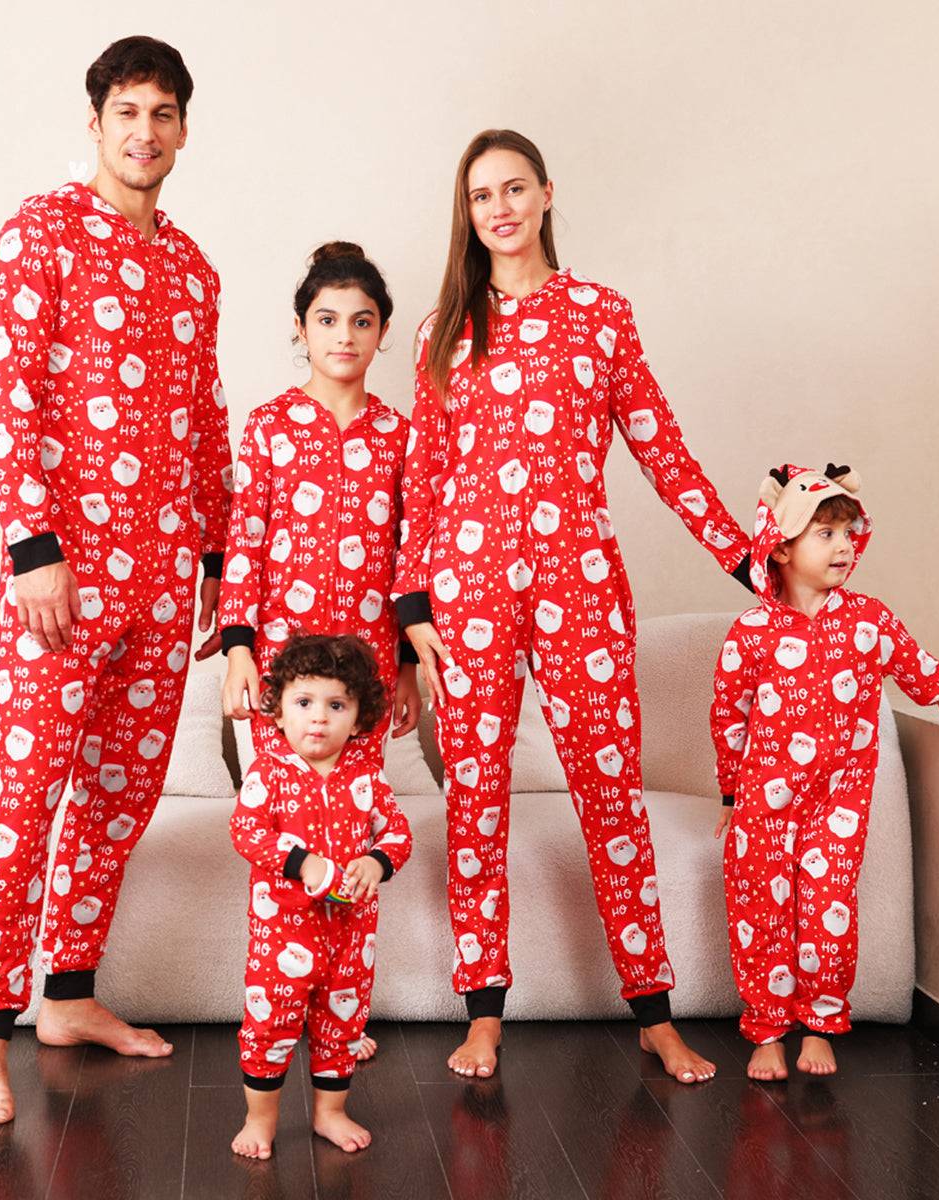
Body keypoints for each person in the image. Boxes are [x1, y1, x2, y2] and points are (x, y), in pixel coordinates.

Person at [393, 128, 751, 1083]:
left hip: (580, 580)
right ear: (466, 215)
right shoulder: (443, 331)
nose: (500, 209)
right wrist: (406, 605)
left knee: (609, 793)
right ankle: (484, 1016)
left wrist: (745, 560)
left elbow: (660, 447)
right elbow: (422, 482)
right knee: (473, 800)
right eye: (481, 197)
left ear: (547, 194)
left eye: (515, 189)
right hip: (465, 592)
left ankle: (655, 1013)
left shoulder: (601, 315)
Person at [0, 36, 231, 1124]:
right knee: (24, 800)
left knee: (118, 801)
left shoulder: (194, 268)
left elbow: (207, 420)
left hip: (166, 583)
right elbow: (5, 388)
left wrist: (216, 558)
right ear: (96, 121)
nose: (144, 131)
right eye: (127, 111)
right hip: (61, 582)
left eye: (163, 113)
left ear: (183, 130)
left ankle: (66, 997)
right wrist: (31, 549)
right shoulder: (40, 232)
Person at [712, 463, 939, 1080]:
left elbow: (926, 672)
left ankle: (820, 1023)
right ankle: (766, 1030)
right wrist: (733, 796)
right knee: (759, 912)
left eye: (849, 533)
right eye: (825, 534)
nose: (844, 547)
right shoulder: (750, 633)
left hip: (839, 802)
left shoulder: (868, 621)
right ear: (782, 548)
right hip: (764, 804)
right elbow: (728, 717)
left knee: (827, 910)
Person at [215, 240, 421, 1061]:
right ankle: (277, 1015)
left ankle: (337, 1023)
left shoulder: (402, 437)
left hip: (366, 673)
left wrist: (405, 664)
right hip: (281, 670)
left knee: (353, 832)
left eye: (362, 321)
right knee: (285, 836)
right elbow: (247, 541)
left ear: (381, 334)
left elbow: (415, 556)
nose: (345, 335)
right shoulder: (269, 426)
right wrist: (238, 650)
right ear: (301, 328)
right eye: (328, 319)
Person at [229, 635, 412, 1158]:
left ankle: (330, 1111)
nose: (318, 718)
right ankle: (260, 1120)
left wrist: (375, 862)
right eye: (304, 703)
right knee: (271, 1025)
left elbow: (398, 834)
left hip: (352, 938)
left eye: (336, 706)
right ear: (279, 713)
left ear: (358, 720)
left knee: (341, 1025)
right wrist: (300, 861)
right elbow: (246, 832)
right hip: (283, 934)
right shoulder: (269, 772)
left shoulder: (367, 776)